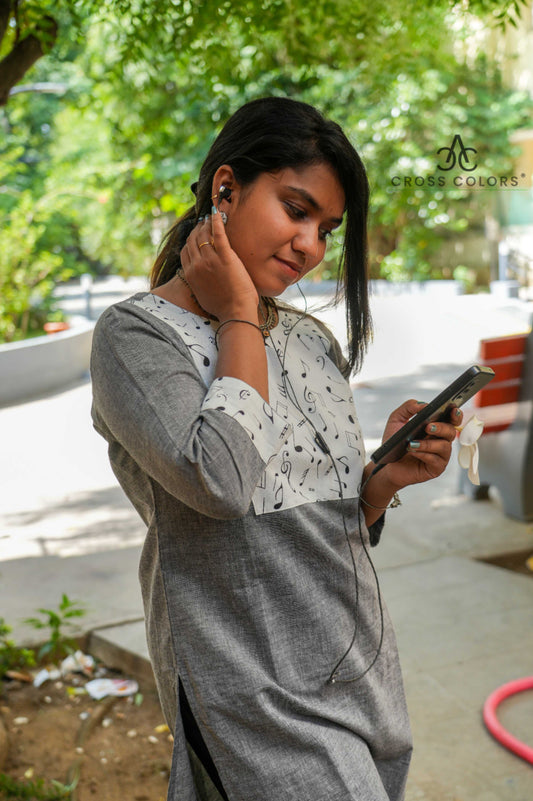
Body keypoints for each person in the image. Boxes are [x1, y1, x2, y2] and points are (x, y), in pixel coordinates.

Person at [90, 97, 461, 801]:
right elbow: (223, 483)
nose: (311, 247)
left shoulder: (309, 340)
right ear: (225, 189)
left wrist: (382, 478)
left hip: (360, 673)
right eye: (296, 210)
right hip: (252, 689)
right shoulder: (135, 339)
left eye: (326, 228)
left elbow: (325, 515)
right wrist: (237, 317)